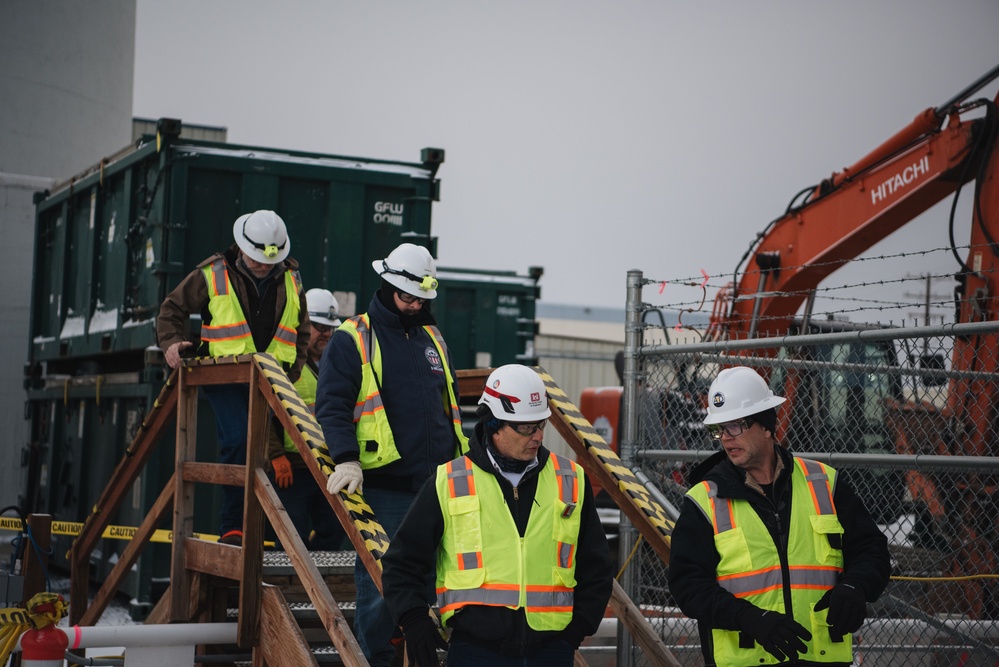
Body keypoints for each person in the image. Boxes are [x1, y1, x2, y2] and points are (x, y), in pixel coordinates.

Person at [381, 364, 613, 667]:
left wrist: (576, 631)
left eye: (541, 424)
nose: (537, 437)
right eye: (526, 428)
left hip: (551, 650)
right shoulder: (450, 480)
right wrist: (413, 620)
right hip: (475, 651)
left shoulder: (571, 480)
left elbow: (596, 568)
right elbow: (401, 562)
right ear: (493, 424)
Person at [668, 366, 891, 667]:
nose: (725, 438)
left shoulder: (824, 483)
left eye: (734, 426)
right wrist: (750, 619)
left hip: (820, 657)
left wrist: (855, 588)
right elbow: (688, 585)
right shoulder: (704, 500)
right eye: (718, 429)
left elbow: (871, 550)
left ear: (767, 426)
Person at [315, 242, 468, 666]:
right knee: (382, 583)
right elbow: (332, 403)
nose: (415, 305)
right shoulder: (352, 338)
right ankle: (377, 660)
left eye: (422, 298)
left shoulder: (432, 338)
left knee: (437, 578)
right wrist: (346, 457)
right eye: (407, 297)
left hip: (437, 483)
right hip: (384, 487)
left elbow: (448, 406)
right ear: (386, 286)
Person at [156, 210, 310, 547]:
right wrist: (170, 344)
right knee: (239, 440)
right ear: (242, 248)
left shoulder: (292, 279)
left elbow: (302, 332)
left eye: (269, 261)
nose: (263, 266)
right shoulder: (212, 273)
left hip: (269, 380)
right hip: (223, 375)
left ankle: (252, 528)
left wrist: (293, 372)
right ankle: (233, 527)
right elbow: (172, 310)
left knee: (258, 450)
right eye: (257, 260)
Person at [266, 288, 348, 550]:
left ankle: (321, 588)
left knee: (334, 532)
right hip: (293, 469)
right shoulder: (287, 363)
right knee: (292, 537)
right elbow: (264, 412)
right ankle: (293, 589)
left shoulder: (338, 365)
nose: (325, 333)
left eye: (330, 327)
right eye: (318, 326)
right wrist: (275, 455)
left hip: (329, 466)